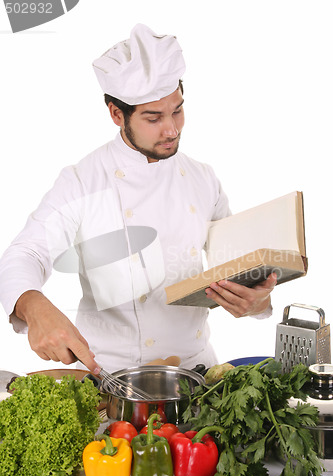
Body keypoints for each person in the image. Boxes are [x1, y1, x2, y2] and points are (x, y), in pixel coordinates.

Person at [0, 24, 276, 375]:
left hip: (199, 371)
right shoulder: (83, 180)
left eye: (177, 110)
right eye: (153, 117)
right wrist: (33, 304)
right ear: (117, 114)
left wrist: (257, 301)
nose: (172, 129)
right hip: (115, 380)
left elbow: (234, 264)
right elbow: (26, 253)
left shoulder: (202, 177)